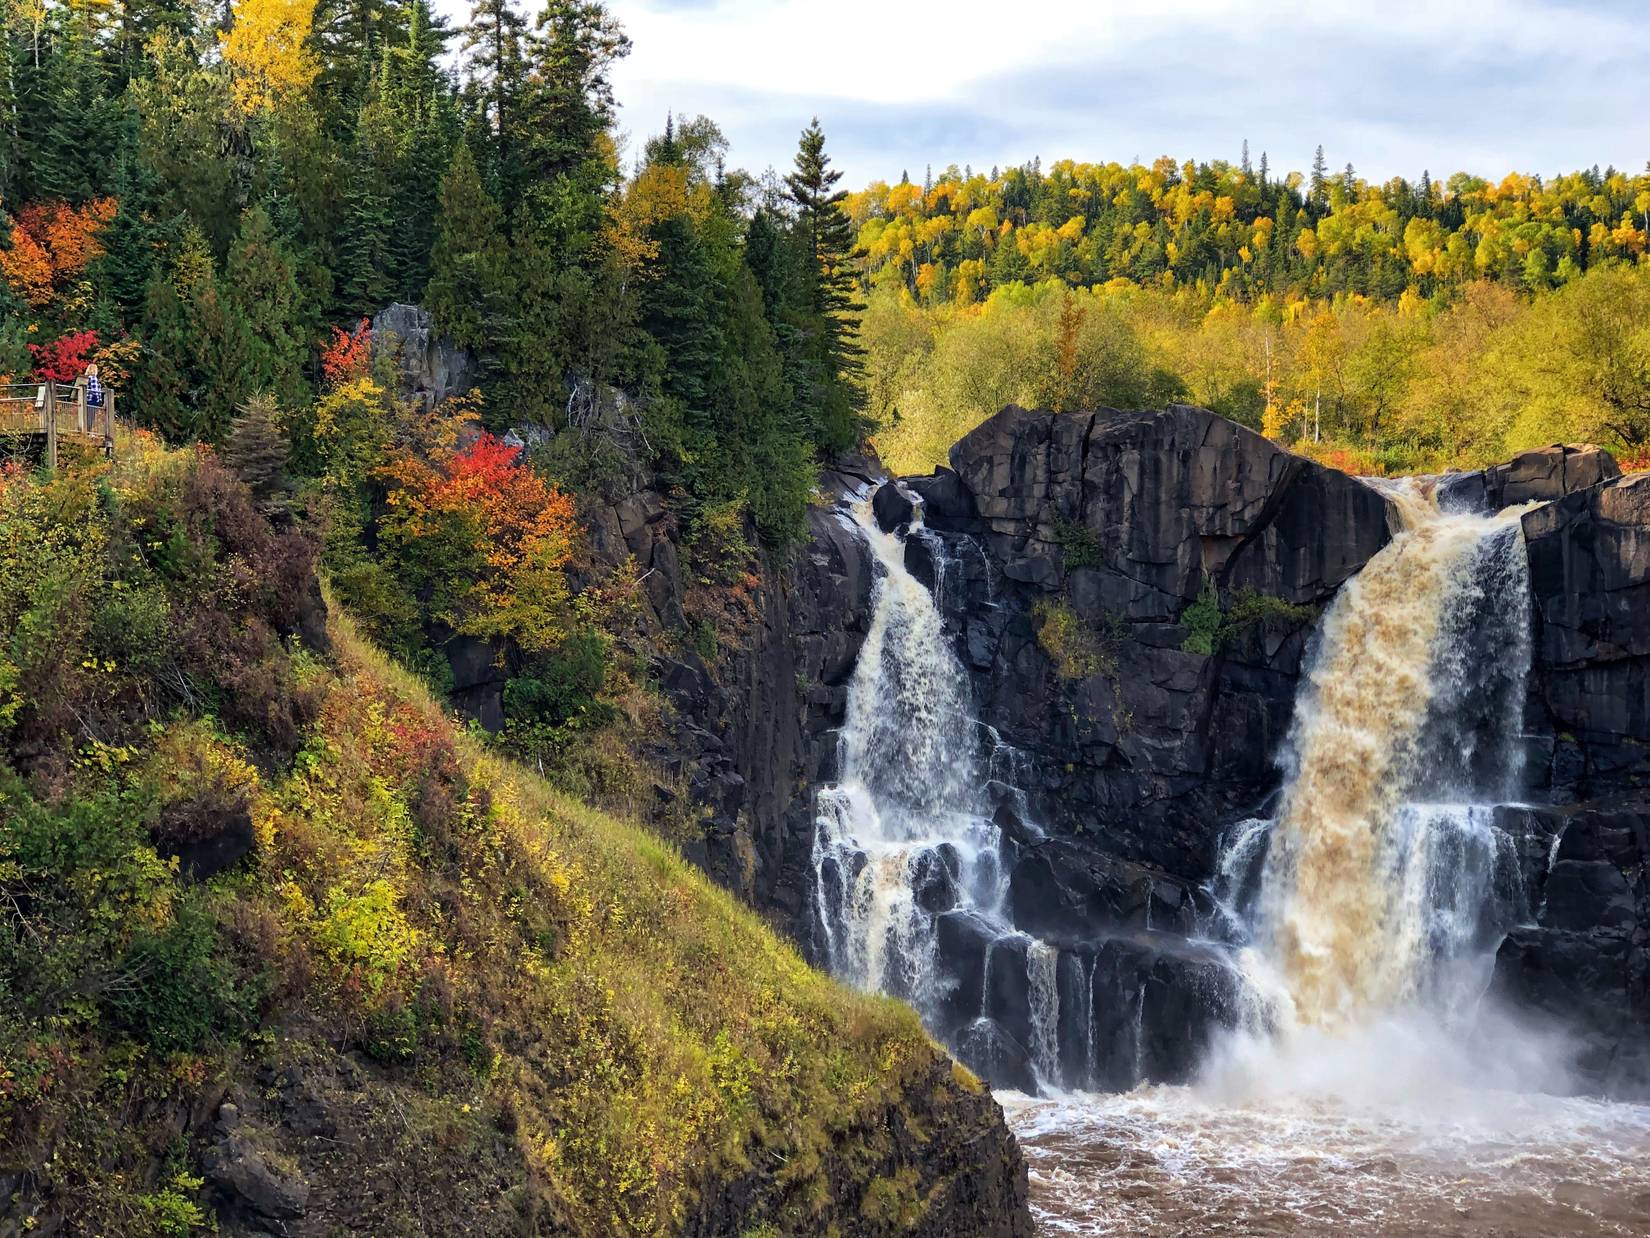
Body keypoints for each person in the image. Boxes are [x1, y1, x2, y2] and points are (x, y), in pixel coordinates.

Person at [84, 362, 103, 433]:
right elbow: (94, 390)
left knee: (87, 415)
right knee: (91, 417)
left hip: (87, 399)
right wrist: (99, 400)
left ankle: (86, 431)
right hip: (93, 399)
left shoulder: (86, 378)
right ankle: (88, 432)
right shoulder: (93, 378)